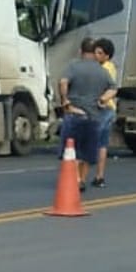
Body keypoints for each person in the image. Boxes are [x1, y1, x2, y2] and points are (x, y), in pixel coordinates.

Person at [58, 38, 117, 191]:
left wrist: (65, 101)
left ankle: (74, 179)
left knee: (73, 149)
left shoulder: (73, 66)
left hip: (75, 113)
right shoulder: (102, 70)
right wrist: (103, 99)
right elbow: (114, 88)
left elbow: (63, 82)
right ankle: (82, 180)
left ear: (80, 51)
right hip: (94, 116)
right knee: (88, 151)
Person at [91, 37, 118, 188]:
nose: (96, 56)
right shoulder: (111, 67)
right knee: (102, 144)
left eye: (99, 53)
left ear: (107, 56)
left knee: (90, 142)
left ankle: (80, 176)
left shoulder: (104, 68)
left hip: (103, 108)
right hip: (110, 109)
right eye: (95, 52)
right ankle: (99, 177)